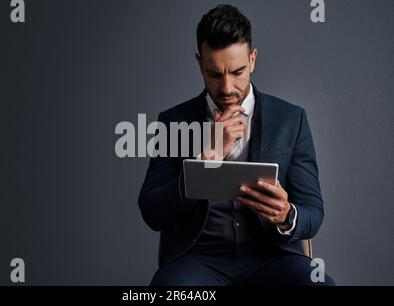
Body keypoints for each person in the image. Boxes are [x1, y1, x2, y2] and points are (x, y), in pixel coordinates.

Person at [138, 4, 334, 286]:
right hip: (197, 261)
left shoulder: (292, 119)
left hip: (273, 258)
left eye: (238, 71)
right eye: (215, 74)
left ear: (253, 60)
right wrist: (205, 161)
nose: (227, 88)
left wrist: (286, 214)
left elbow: (313, 213)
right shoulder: (172, 122)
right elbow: (151, 212)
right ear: (199, 63)